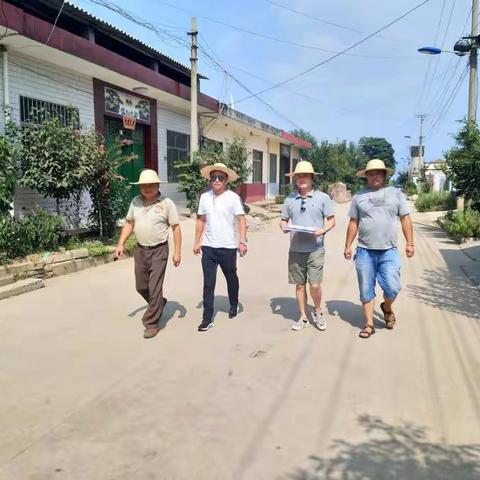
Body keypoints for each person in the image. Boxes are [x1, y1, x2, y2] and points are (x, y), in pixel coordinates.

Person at [344, 159, 414, 339]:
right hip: (365, 251)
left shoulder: (396, 194)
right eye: (371, 173)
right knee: (366, 288)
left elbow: (405, 218)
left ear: (385, 175)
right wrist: (347, 245)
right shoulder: (359, 197)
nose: (375, 176)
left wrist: (410, 243)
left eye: (378, 173)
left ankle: (387, 307)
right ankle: (368, 324)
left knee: (392, 288)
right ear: (366, 176)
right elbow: (353, 222)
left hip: (388, 250)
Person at [115, 169, 182, 339]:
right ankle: (158, 302)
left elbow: (176, 228)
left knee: (154, 287)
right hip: (140, 250)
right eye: (144, 185)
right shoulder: (135, 202)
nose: (147, 188)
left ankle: (152, 323)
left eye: (150, 185)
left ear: (157, 185)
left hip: (159, 250)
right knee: (141, 286)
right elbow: (129, 223)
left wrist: (177, 252)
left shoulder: (166, 203)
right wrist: (121, 243)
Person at [280, 160, 335, 331]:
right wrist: (284, 227)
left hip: (316, 248)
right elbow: (283, 220)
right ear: (295, 179)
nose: (302, 179)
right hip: (296, 248)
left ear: (312, 178)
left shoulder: (323, 198)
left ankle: (317, 310)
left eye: (305, 176)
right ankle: (303, 316)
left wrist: (323, 230)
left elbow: (332, 221)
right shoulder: (289, 199)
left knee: (315, 284)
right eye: (299, 176)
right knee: (300, 285)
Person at [193, 162, 247, 332]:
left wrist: (242, 241)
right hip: (208, 246)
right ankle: (207, 318)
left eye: (220, 177)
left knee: (231, 277)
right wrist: (197, 241)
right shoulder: (204, 197)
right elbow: (201, 220)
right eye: (213, 177)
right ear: (210, 179)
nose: (216, 180)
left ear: (226, 180)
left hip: (228, 247)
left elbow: (241, 220)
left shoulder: (233, 198)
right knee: (208, 283)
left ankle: (233, 304)